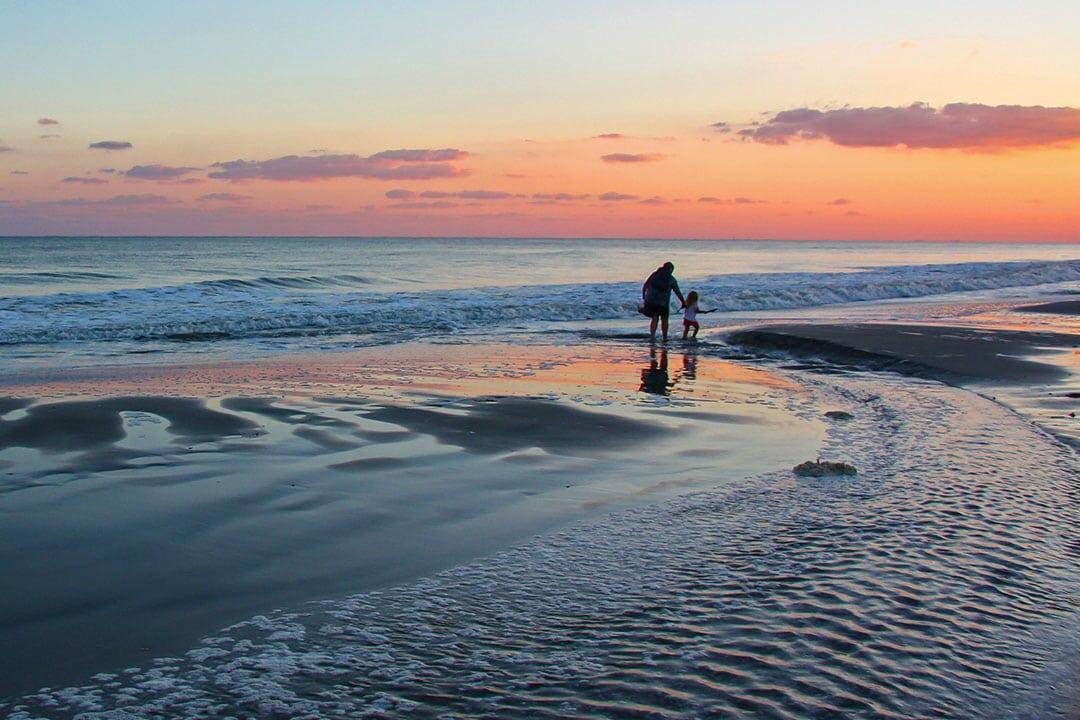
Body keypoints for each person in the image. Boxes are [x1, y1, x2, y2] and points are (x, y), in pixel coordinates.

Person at [639, 261, 685, 342]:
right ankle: (664, 337)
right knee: (664, 319)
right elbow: (677, 291)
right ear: (671, 270)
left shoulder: (655, 274)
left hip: (651, 300)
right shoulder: (671, 279)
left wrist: (644, 296)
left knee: (655, 318)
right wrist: (683, 302)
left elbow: (645, 285)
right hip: (663, 302)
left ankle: (652, 336)